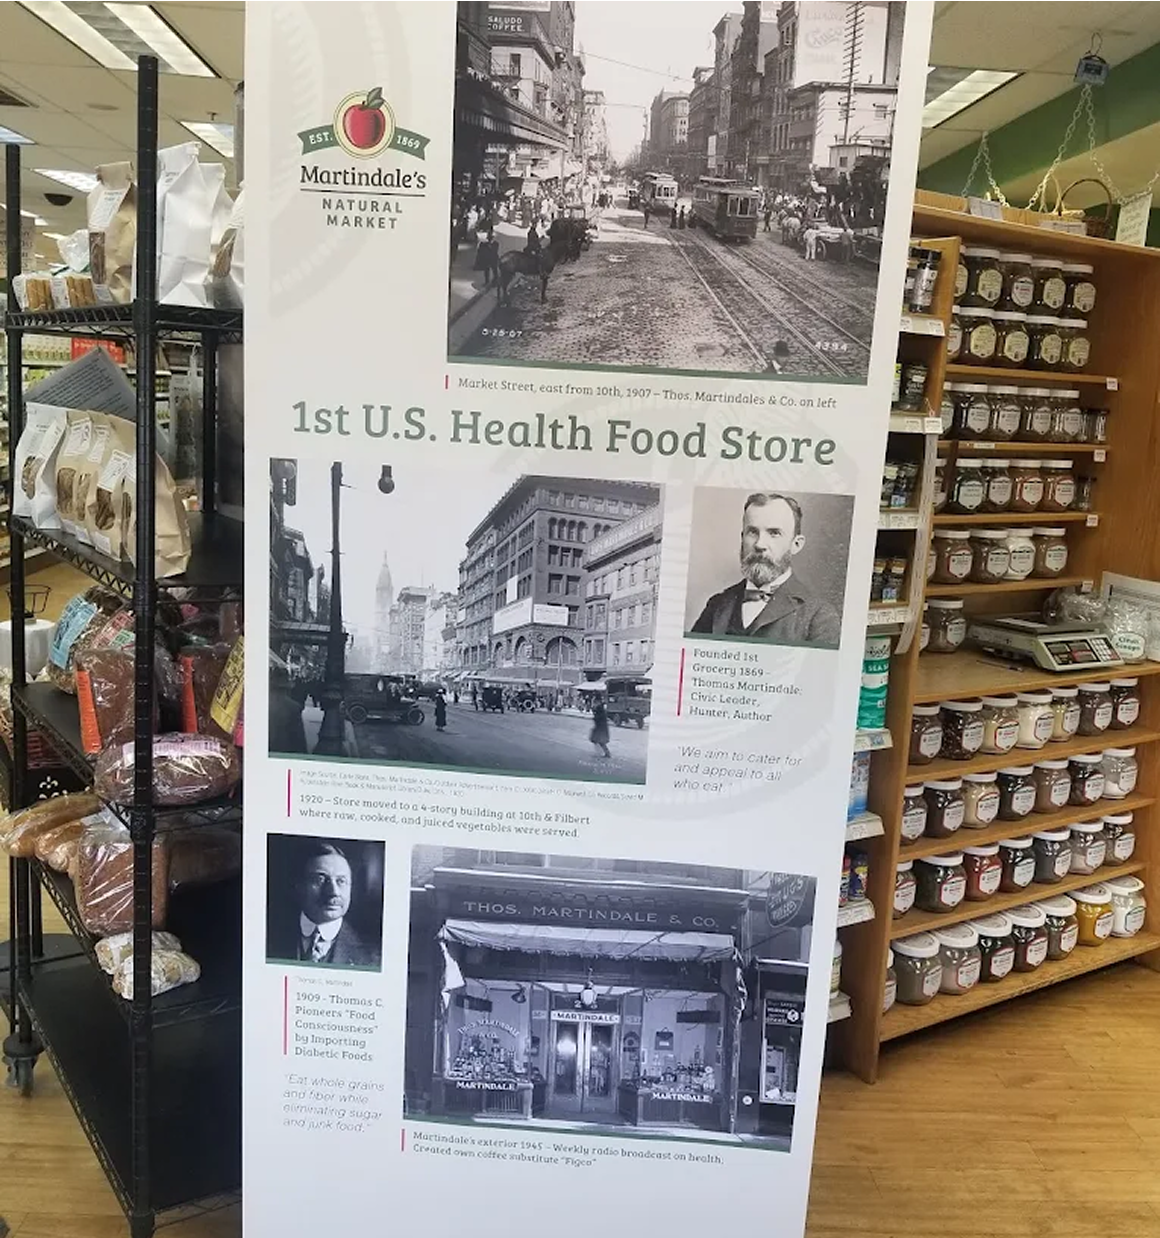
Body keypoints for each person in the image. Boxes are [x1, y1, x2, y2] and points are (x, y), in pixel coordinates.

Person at [690, 492, 840, 649]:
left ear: (796, 544)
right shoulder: (717, 605)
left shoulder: (819, 616)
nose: (760, 544)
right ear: (742, 537)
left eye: (774, 533)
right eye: (752, 532)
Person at [267, 842, 380, 969]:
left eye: (341, 881)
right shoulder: (267, 938)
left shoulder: (373, 956)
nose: (333, 892)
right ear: (299, 886)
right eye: (320, 879)